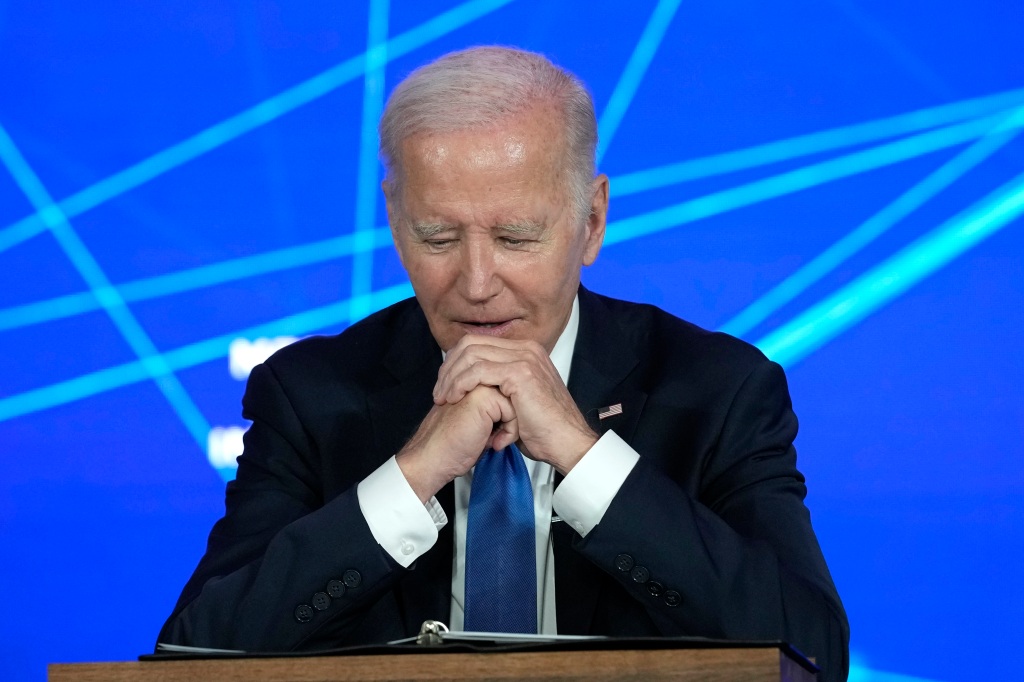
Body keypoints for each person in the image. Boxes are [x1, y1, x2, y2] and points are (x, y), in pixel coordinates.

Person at [158, 46, 849, 680]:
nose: (478, 282)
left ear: (592, 222)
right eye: (438, 237)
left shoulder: (715, 389)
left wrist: (585, 457)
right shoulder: (312, 395)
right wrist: (412, 475)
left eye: (516, 237)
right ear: (396, 225)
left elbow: (812, 650)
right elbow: (195, 652)